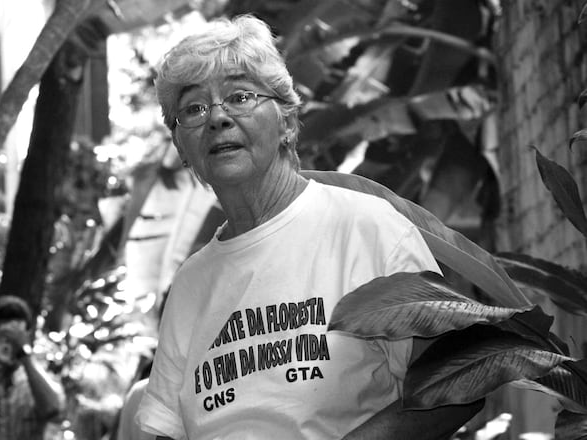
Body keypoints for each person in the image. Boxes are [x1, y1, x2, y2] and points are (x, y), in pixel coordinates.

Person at [134, 14, 483, 440]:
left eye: (240, 96)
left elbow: (459, 384)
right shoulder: (191, 282)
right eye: (193, 108)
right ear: (181, 148)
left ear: (285, 121)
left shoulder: (367, 228)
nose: (217, 118)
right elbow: (165, 430)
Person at [0, 295, 64, 440]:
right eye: (4, 336)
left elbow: (53, 411)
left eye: (16, 337)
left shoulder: (38, 384)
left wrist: (25, 356)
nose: (10, 343)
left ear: (27, 337)